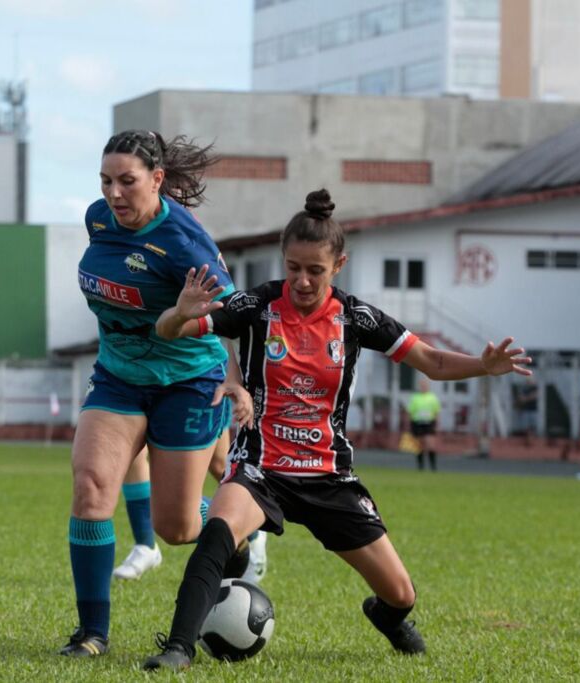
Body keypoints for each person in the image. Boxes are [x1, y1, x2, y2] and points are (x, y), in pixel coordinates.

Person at [142, 189, 533, 671]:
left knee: (401, 594)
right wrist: (181, 312)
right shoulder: (255, 306)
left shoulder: (356, 317)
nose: (302, 280)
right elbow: (167, 331)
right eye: (293, 268)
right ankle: (178, 648)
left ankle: (386, 618)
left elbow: (430, 360)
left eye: (315, 270)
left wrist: (483, 365)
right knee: (218, 531)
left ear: (339, 264)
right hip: (262, 467)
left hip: (329, 476)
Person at [60, 130, 252, 658]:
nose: (114, 194)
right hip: (119, 376)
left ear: (157, 179)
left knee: (177, 526)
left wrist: (235, 378)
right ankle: (92, 633)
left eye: (127, 182)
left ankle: (229, 529)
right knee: (92, 487)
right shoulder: (98, 218)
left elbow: (237, 316)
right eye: (106, 181)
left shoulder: (185, 245)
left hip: (186, 383)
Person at [113, 400, 269, 584]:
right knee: (130, 450)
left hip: (195, 380)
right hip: (138, 378)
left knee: (220, 466)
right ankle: (145, 545)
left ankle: (252, 531)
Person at [407, 379, 440, 470]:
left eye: (425, 385)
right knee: (419, 445)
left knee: (430, 445)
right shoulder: (415, 397)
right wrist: (409, 424)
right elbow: (410, 412)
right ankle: (420, 467)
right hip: (417, 423)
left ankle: (433, 467)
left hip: (429, 423)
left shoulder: (432, 397)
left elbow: (436, 412)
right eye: (422, 385)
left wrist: (437, 425)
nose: (423, 387)